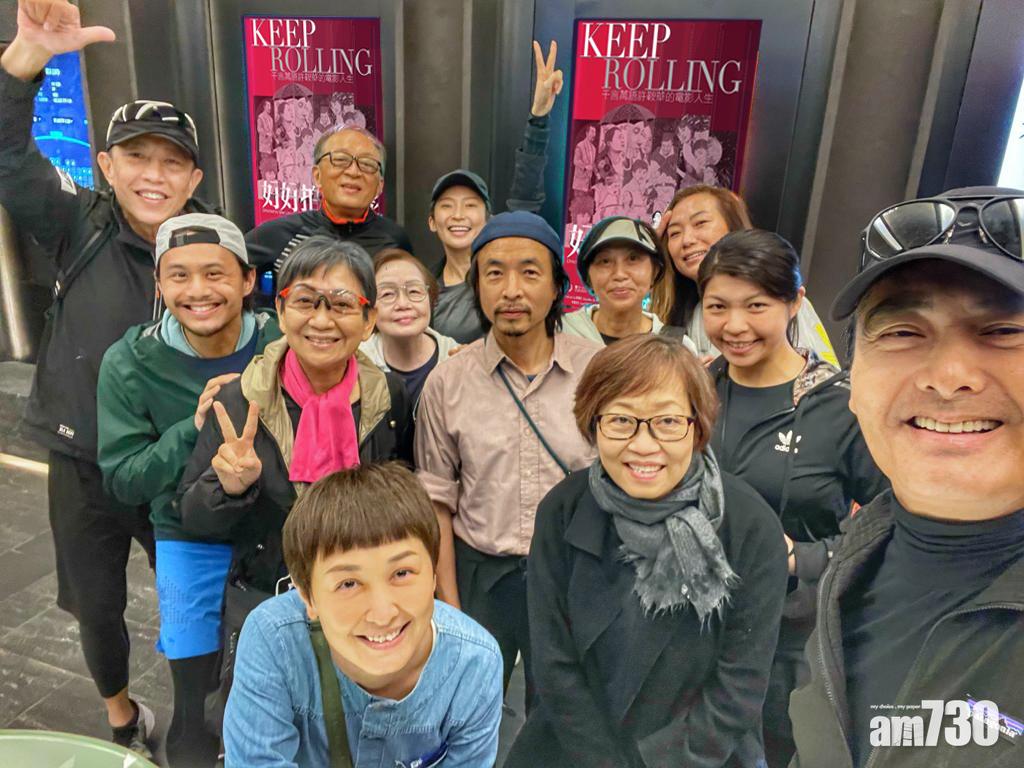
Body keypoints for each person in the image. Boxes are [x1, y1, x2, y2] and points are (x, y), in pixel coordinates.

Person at [0, 1, 215, 753]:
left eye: (171, 162)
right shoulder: (77, 223)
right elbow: (6, 154)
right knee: (94, 607)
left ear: (194, 177)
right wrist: (26, 61)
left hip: (176, 467)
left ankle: (199, 725)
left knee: (195, 605)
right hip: (82, 458)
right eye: (137, 157)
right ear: (106, 165)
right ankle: (123, 716)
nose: (153, 176)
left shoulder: (216, 247)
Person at [789, 186, 1024, 768]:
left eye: (1003, 330)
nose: (948, 375)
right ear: (853, 383)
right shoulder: (857, 564)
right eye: (901, 333)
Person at [505, 334, 788, 768]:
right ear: (593, 423)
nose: (643, 444)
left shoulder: (750, 525)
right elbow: (552, 662)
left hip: (703, 754)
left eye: (668, 421)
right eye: (621, 420)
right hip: (575, 747)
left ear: (697, 426)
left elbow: (741, 684)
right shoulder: (562, 511)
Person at [177, 235, 414, 716]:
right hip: (268, 597)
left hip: (364, 602)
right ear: (281, 313)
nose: (322, 320)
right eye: (305, 301)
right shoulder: (239, 401)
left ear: (369, 320)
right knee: (266, 722)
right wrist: (229, 488)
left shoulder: (389, 398)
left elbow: (405, 490)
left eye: (342, 304)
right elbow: (192, 518)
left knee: (356, 723)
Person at [696, 229, 888, 767]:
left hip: (788, 641)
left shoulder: (841, 406)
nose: (734, 326)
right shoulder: (694, 388)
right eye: (717, 306)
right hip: (694, 627)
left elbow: (892, 522)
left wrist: (803, 557)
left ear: (794, 302)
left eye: (756, 305)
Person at [96, 214, 281, 766]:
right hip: (187, 538)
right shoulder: (130, 361)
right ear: (159, 285)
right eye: (178, 275)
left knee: (281, 675)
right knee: (196, 695)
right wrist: (193, 428)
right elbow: (124, 479)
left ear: (246, 281)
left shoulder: (280, 339)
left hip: (275, 531)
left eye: (215, 273)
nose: (198, 291)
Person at [415, 211, 602, 709]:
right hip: (481, 575)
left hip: (570, 573)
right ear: (476, 286)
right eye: (494, 273)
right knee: (466, 710)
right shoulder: (448, 382)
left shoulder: (596, 372)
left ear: (557, 287)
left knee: (561, 716)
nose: (511, 290)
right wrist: (450, 607)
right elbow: (437, 502)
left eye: (530, 272)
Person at [223, 463, 504, 767]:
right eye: (348, 584)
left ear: (434, 575)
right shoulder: (274, 641)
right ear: (307, 596)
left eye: (402, 573)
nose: (382, 614)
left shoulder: (475, 666)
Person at [430, 39, 563, 344]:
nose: (459, 215)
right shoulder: (424, 287)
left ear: (488, 218)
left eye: (471, 205)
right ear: (432, 221)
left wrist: (539, 118)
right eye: (447, 205)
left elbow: (525, 193)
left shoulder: (508, 279)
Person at [653, 185, 837, 364]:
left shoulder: (782, 301)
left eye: (700, 223)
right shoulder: (681, 316)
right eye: (674, 233)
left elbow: (823, 375)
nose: (687, 240)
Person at [245, 124, 413, 289]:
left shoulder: (395, 239)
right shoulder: (280, 234)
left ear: (380, 185)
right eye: (340, 160)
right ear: (317, 176)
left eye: (367, 164)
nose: (354, 172)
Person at [562, 215, 684, 348]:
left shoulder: (676, 347)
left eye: (633, 259)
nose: (619, 274)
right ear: (588, 276)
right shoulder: (561, 333)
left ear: (655, 271)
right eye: (605, 261)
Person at [359, 248, 459, 408]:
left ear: (431, 298)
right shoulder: (355, 365)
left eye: (414, 291)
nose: (403, 304)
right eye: (387, 294)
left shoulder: (457, 359)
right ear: (369, 309)